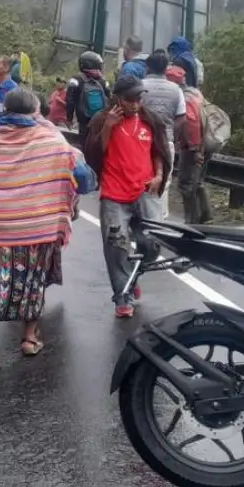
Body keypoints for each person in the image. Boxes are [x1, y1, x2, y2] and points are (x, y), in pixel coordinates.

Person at [0, 88, 86, 371]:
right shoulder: (51, 140)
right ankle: (29, 339)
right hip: (35, 228)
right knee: (32, 282)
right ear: (35, 112)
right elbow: (81, 175)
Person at [84, 76, 172, 318]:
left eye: (138, 99)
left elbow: (159, 151)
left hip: (145, 191)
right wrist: (109, 127)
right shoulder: (102, 119)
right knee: (116, 246)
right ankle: (123, 296)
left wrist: (159, 175)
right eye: (130, 99)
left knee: (153, 244)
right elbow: (93, 155)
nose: (135, 104)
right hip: (114, 194)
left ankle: (133, 271)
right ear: (118, 98)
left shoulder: (150, 119)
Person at [139, 49, 186, 219]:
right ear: (166, 68)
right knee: (164, 181)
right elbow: (181, 118)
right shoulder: (176, 90)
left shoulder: (139, 86)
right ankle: (160, 219)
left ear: (147, 67)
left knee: (140, 176)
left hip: (141, 141)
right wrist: (170, 133)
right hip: (166, 141)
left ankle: (140, 215)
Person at [168, 64, 213, 224]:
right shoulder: (196, 93)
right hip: (205, 142)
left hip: (194, 146)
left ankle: (191, 222)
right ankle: (206, 215)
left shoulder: (184, 99)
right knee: (197, 181)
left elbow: (191, 124)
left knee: (186, 184)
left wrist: (195, 150)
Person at [66, 51, 111, 141]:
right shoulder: (103, 81)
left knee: (85, 144)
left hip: (84, 122)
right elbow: (109, 98)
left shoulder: (76, 80)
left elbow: (70, 100)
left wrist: (69, 118)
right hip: (100, 120)